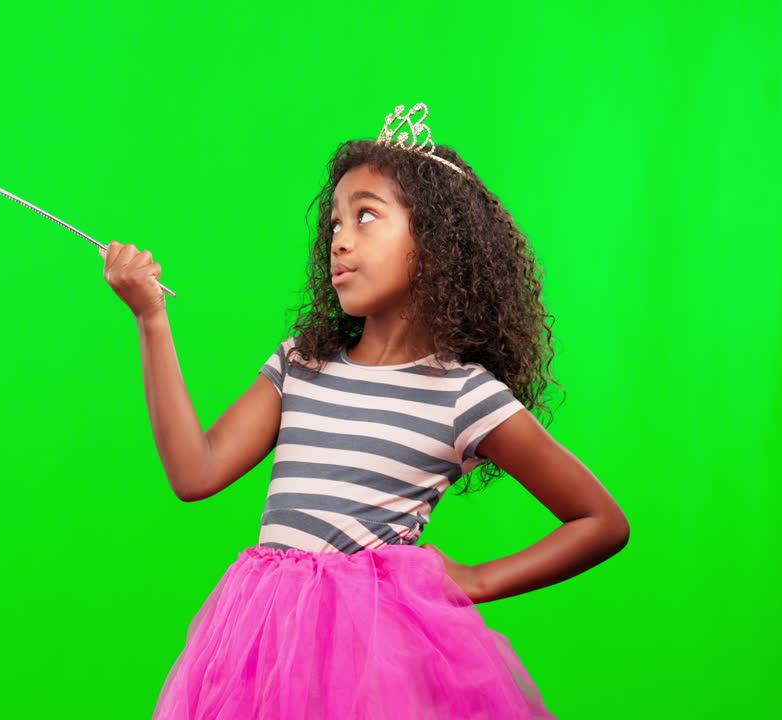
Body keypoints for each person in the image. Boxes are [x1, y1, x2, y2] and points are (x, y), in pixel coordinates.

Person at [98, 105, 629, 719]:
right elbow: (196, 473)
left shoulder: (463, 394)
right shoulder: (302, 364)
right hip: (261, 647)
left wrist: (476, 581)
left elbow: (600, 521)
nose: (340, 239)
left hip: (376, 663)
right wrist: (151, 319)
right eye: (334, 225)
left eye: (366, 216)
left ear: (432, 241)